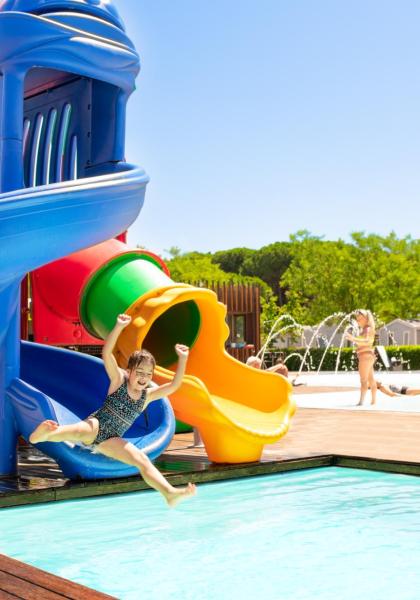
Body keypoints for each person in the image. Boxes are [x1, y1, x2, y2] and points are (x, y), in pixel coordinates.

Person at [29, 313, 196, 508]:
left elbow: (174, 386)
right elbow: (107, 353)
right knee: (77, 431)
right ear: (129, 371)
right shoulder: (119, 381)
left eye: (148, 374)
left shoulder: (147, 396)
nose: (143, 378)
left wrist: (183, 359)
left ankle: (169, 493)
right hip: (97, 425)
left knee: (141, 459)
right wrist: (118, 326)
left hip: (112, 438)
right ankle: (41, 436)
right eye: (139, 373)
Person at [345, 309, 377, 406]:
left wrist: (353, 338)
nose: (358, 320)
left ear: (366, 318)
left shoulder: (367, 329)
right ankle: (373, 401)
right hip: (369, 356)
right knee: (371, 379)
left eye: (360, 318)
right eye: (357, 318)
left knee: (363, 380)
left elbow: (367, 341)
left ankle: (361, 402)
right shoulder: (367, 328)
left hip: (365, 356)